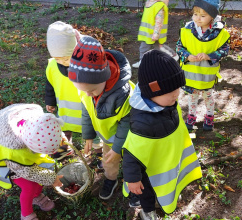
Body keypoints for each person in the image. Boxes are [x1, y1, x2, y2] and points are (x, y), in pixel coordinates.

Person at [122, 50, 203, 219]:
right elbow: (131, 154)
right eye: (169, 91)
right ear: (152, 92)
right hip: (148, 173)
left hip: (166, 163)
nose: (176, 94)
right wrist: (133, 179)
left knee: (166, 184)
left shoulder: (168, 104)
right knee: (148, 194)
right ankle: (148, 211)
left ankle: (166, 196)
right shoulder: (142, 123)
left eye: (177, 88)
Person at [68, 36, 139, 206]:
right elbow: (87, 111)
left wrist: (117, 149)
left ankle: (135, 186)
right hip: (108, 137)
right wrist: (89, 136)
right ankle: (110, 178)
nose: (87, 94)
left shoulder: (122, 95)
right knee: (109, 161)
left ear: (105, 78)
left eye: (91, 91)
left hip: (129, 139)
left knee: (131, 162)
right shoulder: (87, 90)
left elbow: (126, 124)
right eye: (82, 91)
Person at [0, 104, 64, 220]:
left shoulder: (37, 122)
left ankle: (36, 196)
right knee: (30, 185)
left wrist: (59, 137)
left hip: (21, 159)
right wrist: (51, 178)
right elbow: (29, 172)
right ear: (30, 147)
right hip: (6, 164)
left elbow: (49, 129)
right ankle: (26, 214)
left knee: (39, 179)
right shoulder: (13, 152)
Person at [45, 21, 103, 165]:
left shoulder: (85, 64)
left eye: (66, 58)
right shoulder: (52, 66)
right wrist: (50, 102)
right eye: (58, 59)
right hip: (65, 111)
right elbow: (50, 85)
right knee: (63, 131)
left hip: (87, 112)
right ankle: (64, 148)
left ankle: (98, 153)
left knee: (93, 133)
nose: (63, 62)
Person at [176, 0, 230, 131]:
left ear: (212, 16)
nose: (197, 18)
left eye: (203, 15)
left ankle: (210, 115)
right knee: (192, 97)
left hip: (207, 76)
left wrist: (209, 56)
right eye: (195, 14)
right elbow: (179, 47)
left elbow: (224, 50)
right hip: (191, 75)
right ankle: (192, 115)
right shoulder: (187, 30)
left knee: (208, 96)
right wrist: (187, 56)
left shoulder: (219, 33)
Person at [132, 0, 178, 68]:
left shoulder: (159, 6)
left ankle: (143, 62)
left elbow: (159, 22)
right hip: (148, 33)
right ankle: (172, 56)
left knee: (151, 48)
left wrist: (156, 34)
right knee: (155, 47)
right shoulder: (149, 4)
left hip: (153, 34)